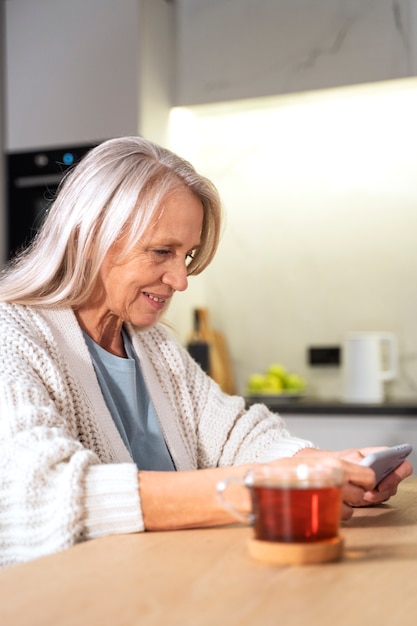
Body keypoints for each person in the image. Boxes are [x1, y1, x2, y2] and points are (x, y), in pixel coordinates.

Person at [0, 136, 411, 567]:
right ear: (93, 236)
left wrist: (327, 469)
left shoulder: (155, 347)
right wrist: (261, 486)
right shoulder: (13, 335)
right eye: (162, 251)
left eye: (187, 254)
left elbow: (236, 437)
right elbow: (40, 492)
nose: (180, 279)